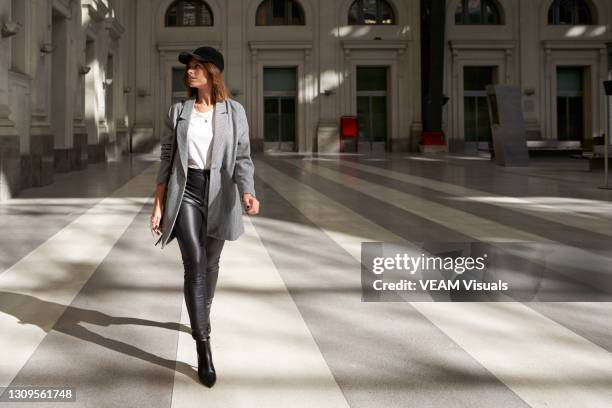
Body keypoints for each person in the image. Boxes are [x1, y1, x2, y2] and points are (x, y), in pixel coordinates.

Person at [149, 46, 260, 388]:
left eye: (197, 67)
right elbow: (167, 156)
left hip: (219, 193)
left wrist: (247, 190)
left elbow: (242, 155)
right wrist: (158, 201)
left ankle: (202, 309)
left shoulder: (233, 111)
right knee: (194, 263)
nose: (189, 72)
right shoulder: (179, 111)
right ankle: (203, 346)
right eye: (188, 68)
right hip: (186, 192)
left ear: (213, 72)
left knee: (211, 263)